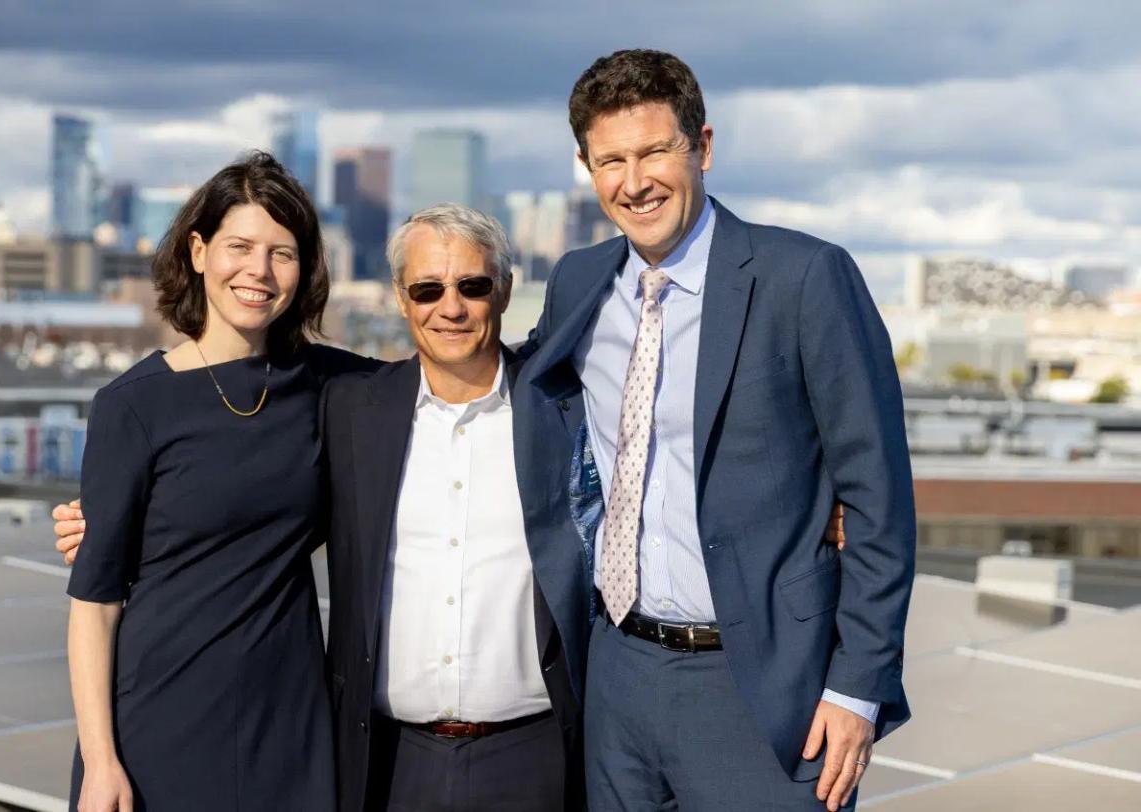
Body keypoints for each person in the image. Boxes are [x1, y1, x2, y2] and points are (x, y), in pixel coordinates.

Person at [512, 50, 915, 810]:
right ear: (585, 167)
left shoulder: (805, 278)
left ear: (703, 145)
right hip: (619, 675)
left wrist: (859, 687)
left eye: (656, 151)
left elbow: (880, 498)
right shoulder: (578, 280)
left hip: (764, 687)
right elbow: (526, 395)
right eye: (611, 161)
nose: (635, 182)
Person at [65, 151, 373, 812]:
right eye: (239, 247)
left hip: (288, 723)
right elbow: (94, 602)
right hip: (158, 724)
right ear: (199, 251)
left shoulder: (335, 388)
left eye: (282, 253)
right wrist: (100, 761)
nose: (258, 272)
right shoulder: (133, 406)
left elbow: (445, 388)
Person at [322, 205, 583, 811]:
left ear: (504, 290)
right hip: (389, 764)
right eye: (427, 289)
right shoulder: (350, 413)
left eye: (472, 285)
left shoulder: (567, 412)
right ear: (400, 298)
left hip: (536, 760)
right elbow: (260, 516)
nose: (451, 307)